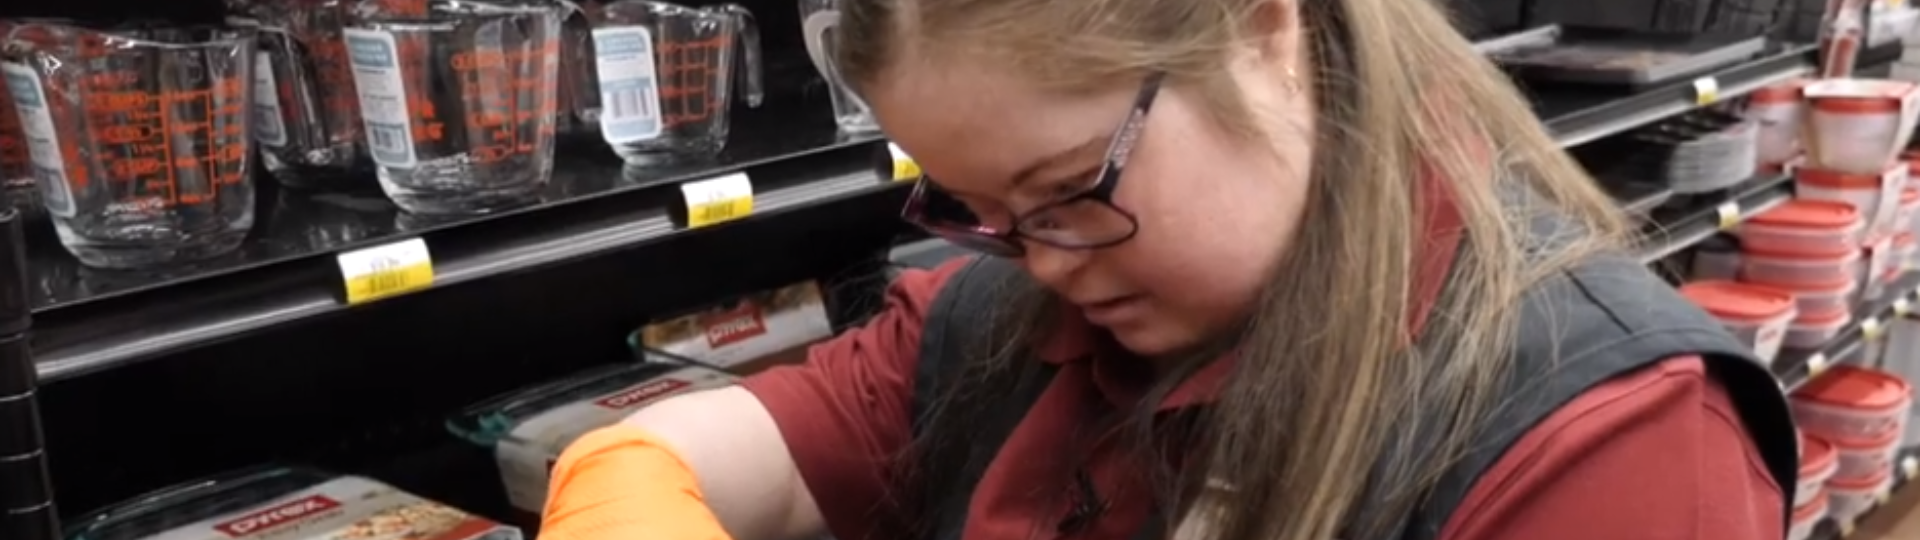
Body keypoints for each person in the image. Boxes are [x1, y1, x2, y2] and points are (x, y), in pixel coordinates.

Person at [536, 0, 1801, 537]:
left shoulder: (1611, 441)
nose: (1038, 260)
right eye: (974, 208)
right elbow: (680, 452)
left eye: (1072, 189)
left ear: (1265, 34)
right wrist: (623, 486)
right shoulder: (998, 321)